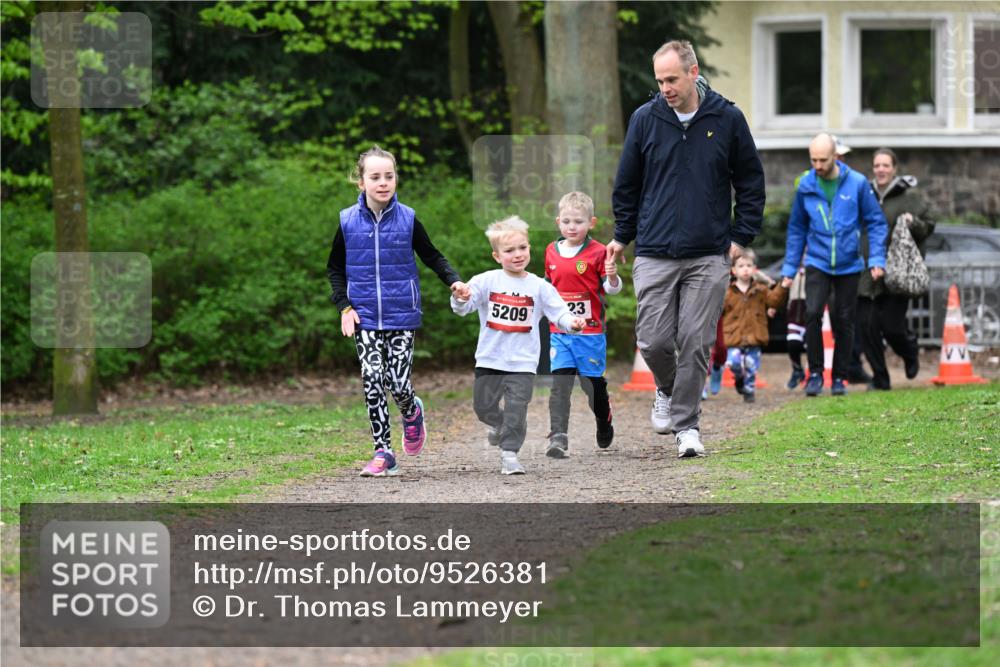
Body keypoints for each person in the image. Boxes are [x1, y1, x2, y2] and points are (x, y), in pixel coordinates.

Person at [608, 39, 765, 458]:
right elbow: (627, 185)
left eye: (672, 79)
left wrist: (740, 237)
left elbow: (751, 181)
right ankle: (667, 389)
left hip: (708, 253)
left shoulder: (727, 118)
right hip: (654, 250)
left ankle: (687, 427)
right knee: (654, 341)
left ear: (693, 73)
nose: (665, 88)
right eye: (660, 80)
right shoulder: (645, 119)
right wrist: (622, 235)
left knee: (695, 342)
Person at [327, 145, 468, 477]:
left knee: (399, 383)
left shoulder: (408, 218)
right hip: (363, 315)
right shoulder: (347, 222)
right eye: (375, 177)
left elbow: (432, 256)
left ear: (395, 179)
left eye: (388, 176)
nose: (383, 182)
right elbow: (335, 269)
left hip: (401, 313)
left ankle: (411, 411)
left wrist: (454, 281)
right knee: (373, 378)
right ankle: (383, 452)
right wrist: (344, 306)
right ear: (361, 182)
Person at [451, 216, 585, 475]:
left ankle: (510, 454)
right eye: (509, 250)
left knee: (517, 409)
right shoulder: (486, 281)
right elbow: (464, 307)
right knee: (483, 407)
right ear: (497, 256)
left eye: (522, 248)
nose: (517, 254)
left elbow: (559, 312)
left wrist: (573, 322)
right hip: (490, 359)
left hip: (523, 363)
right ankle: (497, 424)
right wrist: (460, 298)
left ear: (529, 248)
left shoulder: (539, 286)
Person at [780, 133, 888, 397]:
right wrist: (789, 269)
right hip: (817, 261)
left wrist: (876, 258)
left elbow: (876, 222)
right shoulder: (806, 186)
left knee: (844, 320)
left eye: (823, 160)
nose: (817, 165)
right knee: (812, 314)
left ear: (835, 156)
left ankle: (840, 377)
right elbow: (796, 229)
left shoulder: (857, 184)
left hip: (849, 264)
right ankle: (816, 374)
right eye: (813, 160)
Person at [544, 192, 622, 458]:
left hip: (590, 333)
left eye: (578, 221)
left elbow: (611, 290)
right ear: (558, 222)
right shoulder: (551, 251)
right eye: (566, 221)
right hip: (560, 332)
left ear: (591, 222)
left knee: (593, 387)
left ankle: (603, 418)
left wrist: (613, 277)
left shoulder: (599, 252)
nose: (572, 227)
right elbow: (547, 289)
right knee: (560, 386)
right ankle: (558, 436)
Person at [858, 147, 935, 390]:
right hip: (867, 272)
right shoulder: (864, 193)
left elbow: (929, 226)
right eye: (877, 165)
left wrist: (914, 223)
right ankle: (880, 379)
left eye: (886, 165)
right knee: (868, 328)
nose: (881, 170)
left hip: (897, 271)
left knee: (892, 327)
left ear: (894, 169)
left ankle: (909, 351)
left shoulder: (910, 197)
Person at [721, 249, 788, 403]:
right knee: (733, 362)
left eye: (748, 266)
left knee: (751, 366)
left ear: (754, 269)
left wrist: (782, 287)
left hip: (755, 335)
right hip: (734, 336)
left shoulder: (761, 290)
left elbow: (774, 301)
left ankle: (749, 390)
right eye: (741, 266)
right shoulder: (727, 292)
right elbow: (718, 310)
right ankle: (739, 378)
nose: (745, 269)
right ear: (733, 270)